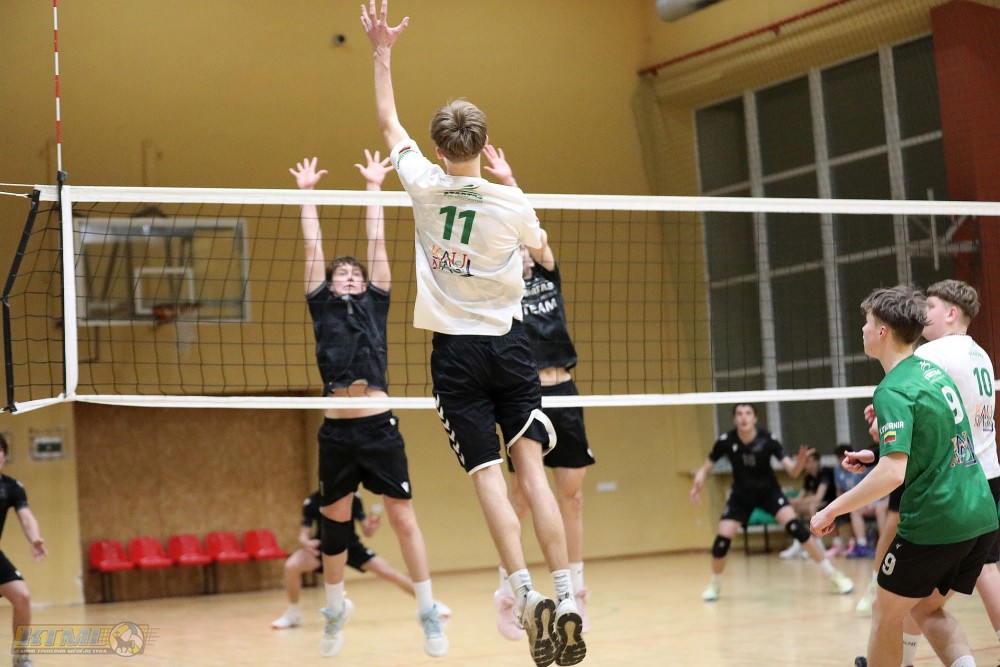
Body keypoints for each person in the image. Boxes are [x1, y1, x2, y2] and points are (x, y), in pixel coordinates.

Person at [361, 3, 586, 665]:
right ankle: (567, 595)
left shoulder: (424, 185)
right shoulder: (512, 203)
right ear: (485, 146)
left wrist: (382, 50)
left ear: (439, 150)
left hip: (456, 355)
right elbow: (542, 253)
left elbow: (387, 121)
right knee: (533, 472)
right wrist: (519, 237)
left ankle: (523, 592)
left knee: (488, 475)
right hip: (512, 348)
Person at [289, 151, 447, 658]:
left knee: (403, 519)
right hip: (336, 431)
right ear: (330, 282)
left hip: (378, 427)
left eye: (355, 274)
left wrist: (375, 186)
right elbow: (312, 246)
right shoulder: (321, 304)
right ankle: (334, 612)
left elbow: (376, 241)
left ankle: (427, 611)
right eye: (342, 274)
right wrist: (307, 195)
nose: (350, 277)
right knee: (335, 525)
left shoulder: (376, 303)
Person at [810, 285, 998, 667]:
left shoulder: (893, 389)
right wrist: (878, 453)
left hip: (937, 518)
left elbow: (893, 474)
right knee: (925, 609)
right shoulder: (933, 373)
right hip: (980, 513)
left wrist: (831, 510)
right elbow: (939, 438)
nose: (862, 329)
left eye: (867, 322)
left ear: (882, 331)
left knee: (885, 612)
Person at [479, 145, 597, 641]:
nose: (526, 254)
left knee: (572, 495)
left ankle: (577, 591)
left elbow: (535, 231)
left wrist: (509, 180)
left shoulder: (547, 273)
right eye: (519, 250)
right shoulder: (502, 291)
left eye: (528, 249)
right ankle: (508, 592)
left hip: (563, 389)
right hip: (524, 394)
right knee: (521, 496)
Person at [689, 403, 854, 601]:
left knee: (797, 528)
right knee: (721, 541)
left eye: (748, 413)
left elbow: (792, 471)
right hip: (741, 495)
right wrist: (699, 480)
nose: (744, 417)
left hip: (769, 492)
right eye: (739, 414)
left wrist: (800, 462)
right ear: (734, 419)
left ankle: (834, 575)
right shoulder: (726, 440)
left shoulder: (768, 440)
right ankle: (714, 585)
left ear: (755, 418)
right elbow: (706, 467)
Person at [271, 491, 452, 630]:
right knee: (291, 566)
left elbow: (367, 531)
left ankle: (429, 603)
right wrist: (307, 543)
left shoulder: (354, 498)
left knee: (389, 573)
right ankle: (293, 613)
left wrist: (371, 527)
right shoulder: (312, 501)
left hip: (352, 546)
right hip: (325, 546)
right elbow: (303, 535)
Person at [0, 435, 45, 667]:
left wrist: (34, 538)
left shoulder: (12, 487)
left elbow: (26, 516)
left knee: (22, 597)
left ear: (4, 456)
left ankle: (21, 655)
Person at [779, 450, 836, 559]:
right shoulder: (808, 477)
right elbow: (800, 498)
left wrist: (798, 501)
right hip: (820, 504)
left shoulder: (824, 473)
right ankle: (798, 542)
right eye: (806, 462)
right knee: (793, 509)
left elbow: (818, 497)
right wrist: (791, 501)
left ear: (817, 462)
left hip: (831, 503)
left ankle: (818, 543)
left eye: (810, 461)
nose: (808, 465)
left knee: (812, 507)